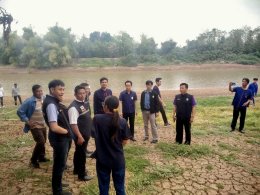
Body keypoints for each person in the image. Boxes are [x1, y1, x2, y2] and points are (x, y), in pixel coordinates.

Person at [92, 96, 131, 195]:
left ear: (105, 106)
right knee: (120, 188)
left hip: (102, 159)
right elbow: (125, 140)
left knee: (103, 188)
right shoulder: (122, 121)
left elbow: (93, 135)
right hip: (118, 159)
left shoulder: (97, 119)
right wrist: (116, 146)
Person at [42, 80, 72, 195]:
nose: (62, 92)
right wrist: (68, 132)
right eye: (60, 89)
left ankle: (58, 183)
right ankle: (57, 191)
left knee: (59, 162)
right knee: (59, 165)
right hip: (59, 138)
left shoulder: (53, 101)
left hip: (59, 138)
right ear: (52, 90)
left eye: (63, 89)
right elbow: (54, 127)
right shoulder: (50, 104)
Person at [17, 84, 49, 168]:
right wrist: (28, 121)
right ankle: (33, 161)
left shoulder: (44, 98)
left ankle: (41, 157)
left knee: (44, 140)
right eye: (38, 91)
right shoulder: (29, 101)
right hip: (34, 126)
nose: (40, 92)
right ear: (33, 92)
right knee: (41, 141)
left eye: (41, 91)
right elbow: (20, 111)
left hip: (43, 124)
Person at [68, 85, 93, 181]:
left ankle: (76, 169)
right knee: (82, 154)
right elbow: (73, 124)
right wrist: (79, 136)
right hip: (80, 136)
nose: (82, 95)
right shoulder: (73, 108)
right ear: (75, 94)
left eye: (84, 93)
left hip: (85, 134)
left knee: (78, 152)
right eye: (80, 93)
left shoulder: (83, 103)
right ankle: (82, 175)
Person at [80, 82, 93, 156]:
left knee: (87, 136)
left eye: (89, 89)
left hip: (88, 118)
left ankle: (85, 149)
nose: (88, 90)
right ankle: (83, 151)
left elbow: (89, 91)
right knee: (85, 136)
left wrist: (88, 86)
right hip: (83, 120)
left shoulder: (87, 96)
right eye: (87, 89)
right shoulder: (82, 98)